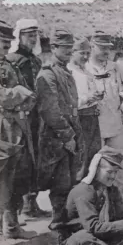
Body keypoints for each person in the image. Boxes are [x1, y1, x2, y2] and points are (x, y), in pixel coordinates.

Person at [0, 20, 38, 245]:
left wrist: (21, 97)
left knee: (16, 176)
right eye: (3, 42)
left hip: (18, 125)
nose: (7, 46)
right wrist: (20, 94)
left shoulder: (9, 64)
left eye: (10, 42)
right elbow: (5, 96)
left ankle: (12, 225)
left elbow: (26, 95)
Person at [36, 28, 85, 232]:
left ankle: (66, 218)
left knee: (71, 177)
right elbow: (50, 110)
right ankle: (59, 220)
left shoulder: (65, 71)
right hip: (56, 136)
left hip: (70, 131)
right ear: (53, 48)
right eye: (63, 47)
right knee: (60, 180)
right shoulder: (48, 73)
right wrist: (67, 136)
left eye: (69, 48)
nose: (67, 51)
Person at [85, 31, 123, 194]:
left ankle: (118, 199)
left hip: (114, 123)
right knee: (96, 164)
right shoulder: (84, 68)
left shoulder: (115, 67)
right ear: (92, 46)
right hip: (94, 126)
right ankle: (97, 201)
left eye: (108, 48)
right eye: (102, 47)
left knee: (119, 161)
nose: (105, 51)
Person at [5, 18, 50, 219]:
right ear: (19, 36)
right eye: (28, 35)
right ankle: (19, 206)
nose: (32, 39)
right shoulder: (12, 60)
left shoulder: (37, 60)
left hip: (36, 116)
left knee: (37, 158)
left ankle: (32, 202)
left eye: (35, 35)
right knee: (22, 158)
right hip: (21, 116)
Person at [68, 37, 103, 184]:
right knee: (81, 160)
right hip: (79, 119)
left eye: (88, 53)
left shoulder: (87, 71)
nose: (85, 57)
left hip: (92, 119)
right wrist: (87, 98)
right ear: (73, 52)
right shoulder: (69, 72)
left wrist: (97, 97)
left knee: (94, 157)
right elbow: (71, 101)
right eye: (82, 53)